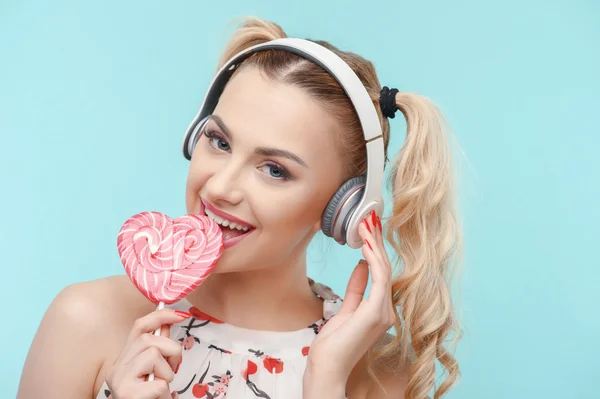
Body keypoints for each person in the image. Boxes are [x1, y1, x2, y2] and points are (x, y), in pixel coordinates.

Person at [17, 17, 463, 399]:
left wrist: (326, 383)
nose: (220, 186)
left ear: (340, 209)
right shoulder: (87, 320)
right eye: (219, 141)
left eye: (274, 169)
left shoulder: (380, 374)